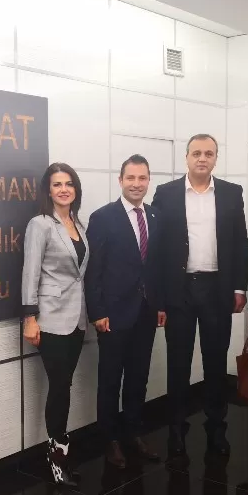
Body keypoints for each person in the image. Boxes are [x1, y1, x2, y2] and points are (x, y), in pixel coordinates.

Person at [152, 134, 248, 461]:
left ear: (216, 158)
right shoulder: (166, 194)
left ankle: (216, 427)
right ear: (187, 157)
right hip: (179, 289)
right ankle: (176, 429)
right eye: (196, 153)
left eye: (209, 153)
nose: (202, 159)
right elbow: (158, 249)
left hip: (217, 288)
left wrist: (239, 287)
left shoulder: (231, 193)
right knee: (178, 363)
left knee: (215, 361)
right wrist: (160, 298)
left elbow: (240, 242)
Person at [85, 155, 167, 469]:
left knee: (138, 377)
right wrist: (97, 311)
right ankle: (110, 440)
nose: (136, 184)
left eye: (142, 178)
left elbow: (156, 266)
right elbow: (93, 270)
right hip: (113, 314)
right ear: (120, 180)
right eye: (130, 178)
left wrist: (160, 304)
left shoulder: (156, 216)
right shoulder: (103, 217)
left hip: (146, 312)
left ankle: (134, 433)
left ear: (148, 181)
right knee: (110, 380)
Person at [21, 163, 89, 488]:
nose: (64, 189)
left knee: (65, 385)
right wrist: (29, 317)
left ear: (76, 189)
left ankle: (61, 455)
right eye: (57, 184)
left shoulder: (77, 223)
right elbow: (30, 271)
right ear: (48, 190)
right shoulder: (40, 224)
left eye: (69, 183)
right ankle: (58, 461)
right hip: (49, 319)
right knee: (60, 387)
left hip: (76, 318)